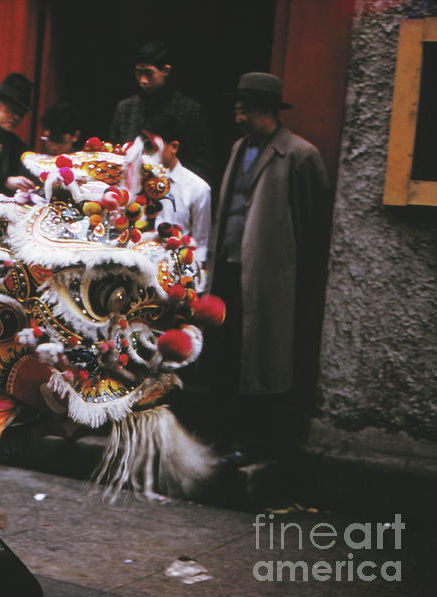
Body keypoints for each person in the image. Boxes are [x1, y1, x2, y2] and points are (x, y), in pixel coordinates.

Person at [205, 72, 331, 458]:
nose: (238, 118)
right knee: (225, 352)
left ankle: (254, 440)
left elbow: (315, 221)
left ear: (268, 112)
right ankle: (222, 435)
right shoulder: (237, 149)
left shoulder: (299, 155)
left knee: (259, 359)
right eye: (237, 111)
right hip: (227, 270)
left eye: (245, 112)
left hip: (267, 277)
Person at [108, 41, 213, 184]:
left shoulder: (189, 110)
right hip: (128, 190)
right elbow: (113, 154)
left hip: (174, 191)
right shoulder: (125, 108)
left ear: (165, 71)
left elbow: (199, 165)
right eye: (139, 73)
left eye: (149, 73)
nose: (143, 80)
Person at [151, 122, 212, 274]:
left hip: (178, 270)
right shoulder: (137, 182)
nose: (147, 155)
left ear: (173, 147)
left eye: (154, 148)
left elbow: (200, 245)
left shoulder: (198, 188)